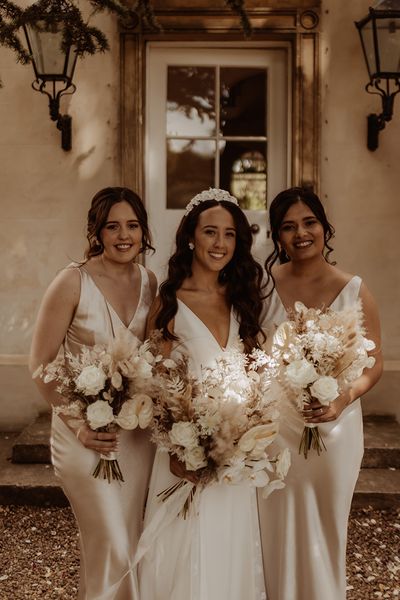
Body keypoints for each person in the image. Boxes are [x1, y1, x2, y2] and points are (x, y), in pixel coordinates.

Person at [137, 188, 267, 600]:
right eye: (210, 232)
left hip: (236, 455)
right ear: (191, 237)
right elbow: (156, 382)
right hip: (184, 453)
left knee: (231, 549)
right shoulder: (170, 303)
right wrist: (178, 447)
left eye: (229, 234)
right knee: (186, 549)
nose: (220, 243)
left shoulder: (243, 301)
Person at [29, 187, 157, 600]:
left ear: (143, 231)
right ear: (97, 232)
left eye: (133, 226)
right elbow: (41, 364)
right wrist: (81, 427)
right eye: (113, 226)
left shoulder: (151, 283)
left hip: (135, 438)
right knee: (112, 543)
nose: (124, 235)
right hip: (81, 436)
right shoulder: (71, 281)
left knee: (126, 541)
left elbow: (155, 358)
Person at [258, 186, 383, 600]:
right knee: (273, 521)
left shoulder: (355, 289)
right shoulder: (262, 286)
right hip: (275, 429)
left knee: (328, 525)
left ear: (325, 227)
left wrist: (342, 399)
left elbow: (374, 363)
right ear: (277, 236)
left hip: (334, 428)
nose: (300, 234)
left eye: (309, 222)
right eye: (288, 227)